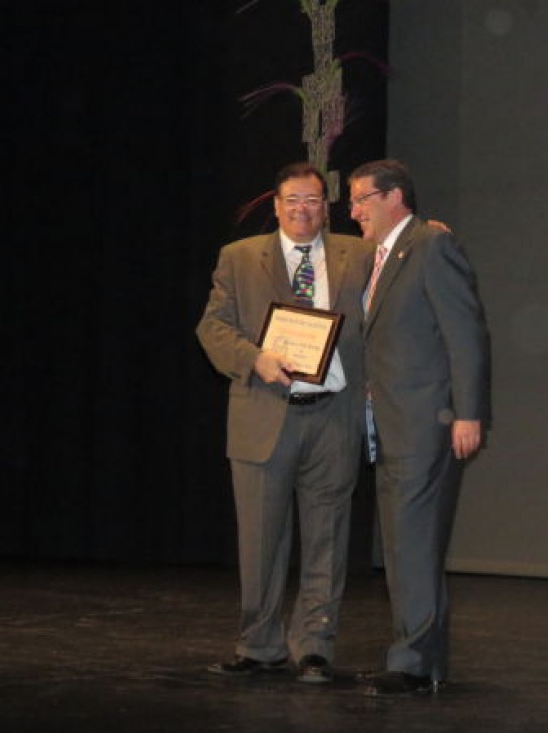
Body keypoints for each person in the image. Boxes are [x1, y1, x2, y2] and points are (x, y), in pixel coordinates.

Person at [196, 161, 371, 684]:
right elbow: (212, 326)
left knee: (328, 539)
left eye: (314, 200)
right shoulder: (239, 257)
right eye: (293, 199)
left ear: (327, 206)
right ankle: (259, 645)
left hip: (333, 415)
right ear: (275, 205)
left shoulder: (358, 255)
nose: (303, 209)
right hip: (264, 414)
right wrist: (254, 359)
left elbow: (402, 271)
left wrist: (431, 235)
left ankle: (315, 646)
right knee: (260, 539)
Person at [348, 159, 492, 696]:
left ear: (394, 197)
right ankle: (420, 660)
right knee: (408, 545)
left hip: (425, 421)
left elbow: (466, 333)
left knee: (412, 543)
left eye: (362, 199)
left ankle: (411, 662)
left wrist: (468, 412)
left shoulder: (431, 246)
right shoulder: (381, 257)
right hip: (390, 424)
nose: (354, 210)